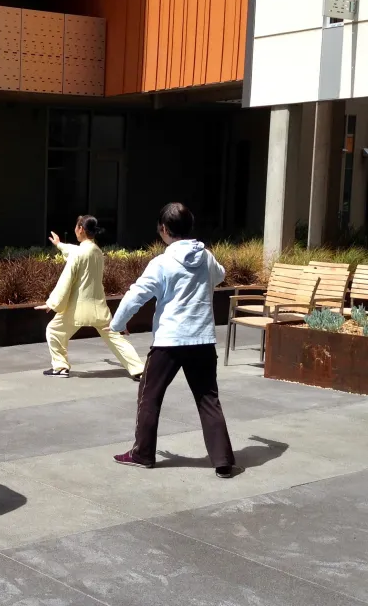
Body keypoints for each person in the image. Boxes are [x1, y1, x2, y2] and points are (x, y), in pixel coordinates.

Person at [109, 203, 236, 479]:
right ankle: (223, 460)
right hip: (202, 338)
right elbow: (220, 274)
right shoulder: (206, 257)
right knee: (208, 398)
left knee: (150, 395)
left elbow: (136, 294)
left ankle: (142, 454)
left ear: (164, 230)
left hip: (169, 340)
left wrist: (117, 324)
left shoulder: (163, 263)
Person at [35, 215, 144, 380]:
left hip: (78, 308)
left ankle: (61, 367)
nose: (75, 230)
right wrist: (59, 245)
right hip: (98, 307)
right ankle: (139, 369)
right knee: (115, 337)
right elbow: (76, 251)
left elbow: (66, 279)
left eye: (76, 227)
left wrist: (53, 303)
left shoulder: (80, 253)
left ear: (80, 229)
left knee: (54, 331)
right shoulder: (97, 252)